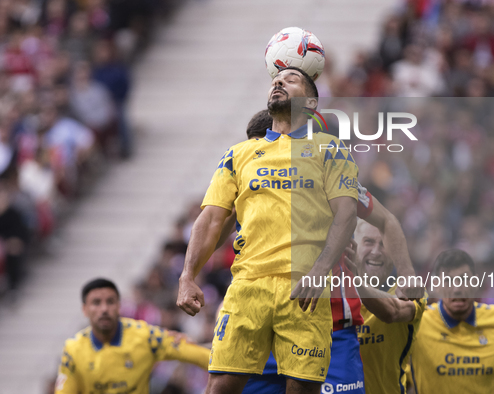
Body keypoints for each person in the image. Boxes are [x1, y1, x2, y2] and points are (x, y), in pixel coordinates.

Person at [177, 67, 359, 394]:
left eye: (291, 80)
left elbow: (346, 214)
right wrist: (188, 275)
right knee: (219, 388)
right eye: (277, 79)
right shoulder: (238, 154)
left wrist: (320, 270)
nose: (278, 82)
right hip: (248, 285)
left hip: (304, 285)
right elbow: (211, 218)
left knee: (301, 390)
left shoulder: (330, 150)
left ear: (312, 102)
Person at [55, 278, 209, 394]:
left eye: (110, 302)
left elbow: (200, 356)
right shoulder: (73, 349)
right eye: (96, 303)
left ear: (119, 306)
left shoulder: (146, 336)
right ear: (85, 310)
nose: (104, 309)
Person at [408, 249, 494, 394]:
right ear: (436, 284)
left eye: (464, 279)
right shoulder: (418, 323)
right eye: (448, 280)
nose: (457, 288)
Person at [343, 219, 426, 394]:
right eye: (368, 242)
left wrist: (353, 281)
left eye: (384, 244)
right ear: (352, 245)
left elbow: (393, 312)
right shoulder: (330, 291)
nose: (376, 251)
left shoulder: (410, 290)